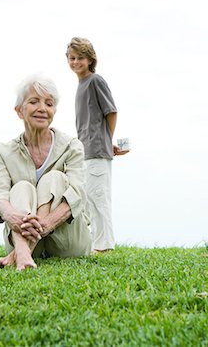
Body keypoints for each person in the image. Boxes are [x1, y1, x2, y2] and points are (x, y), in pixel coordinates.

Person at [0, 74, 91, 270]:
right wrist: (13, 218)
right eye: (34, 102)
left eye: (49, 104)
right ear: (19, 111)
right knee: (21, 187)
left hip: (67, 243)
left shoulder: (72, 146)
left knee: (55, 178)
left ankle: (20, 254)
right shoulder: (3, 152)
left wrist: (45, 224)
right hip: (19, 236)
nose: (43, 108)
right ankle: (24, 252)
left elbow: (77, 192)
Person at [66, 37, 128, 253]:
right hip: (85, 151)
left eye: (80, 58)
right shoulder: (81, 85)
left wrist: (107, 139)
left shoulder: (95, 81)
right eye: (72, 58)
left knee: (99, 198)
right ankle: (96, 243)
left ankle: (104, 246)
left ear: (90, 59)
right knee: (89, 198)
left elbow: (111, 111)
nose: (75, 62)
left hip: (96, 151)